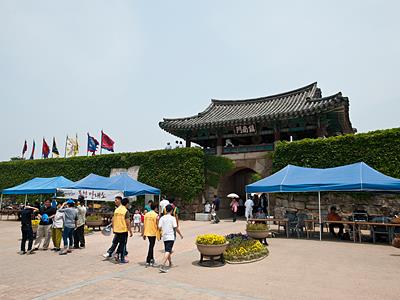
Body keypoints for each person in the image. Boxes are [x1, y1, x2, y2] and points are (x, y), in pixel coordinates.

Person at [103, 197, 132, 263]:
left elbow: (113, 220)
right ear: (127, 204)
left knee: (116, 242)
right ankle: (119, 255)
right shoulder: (125, 211)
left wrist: (113, 228)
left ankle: (118, 256)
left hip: (117, 229)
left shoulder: (116, 210)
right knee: (122, 244)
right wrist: (130, 231)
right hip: (123, 229)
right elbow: (128, 222)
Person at [158, 205, 183, 273]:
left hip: (165, 236)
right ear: (172, 210)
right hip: (170, 236)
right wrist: (180, 235)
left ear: (166, 210)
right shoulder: (172, 218)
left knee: (167, 250)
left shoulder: (162, 218)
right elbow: (175, 228)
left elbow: (159, 227)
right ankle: (162, 265)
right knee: (168, 251)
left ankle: (170, 263)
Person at [142, 203, 159, 267]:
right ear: (156, 208)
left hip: (147, 232)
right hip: (153, 232)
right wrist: (160, 233)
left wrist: (143, 233)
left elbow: (144, 224)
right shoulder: (156, 215)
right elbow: (158, 225)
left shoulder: (146, 215)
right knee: (151, 246)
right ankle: (148, 260)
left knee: (151, 245)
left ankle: (151, 259)